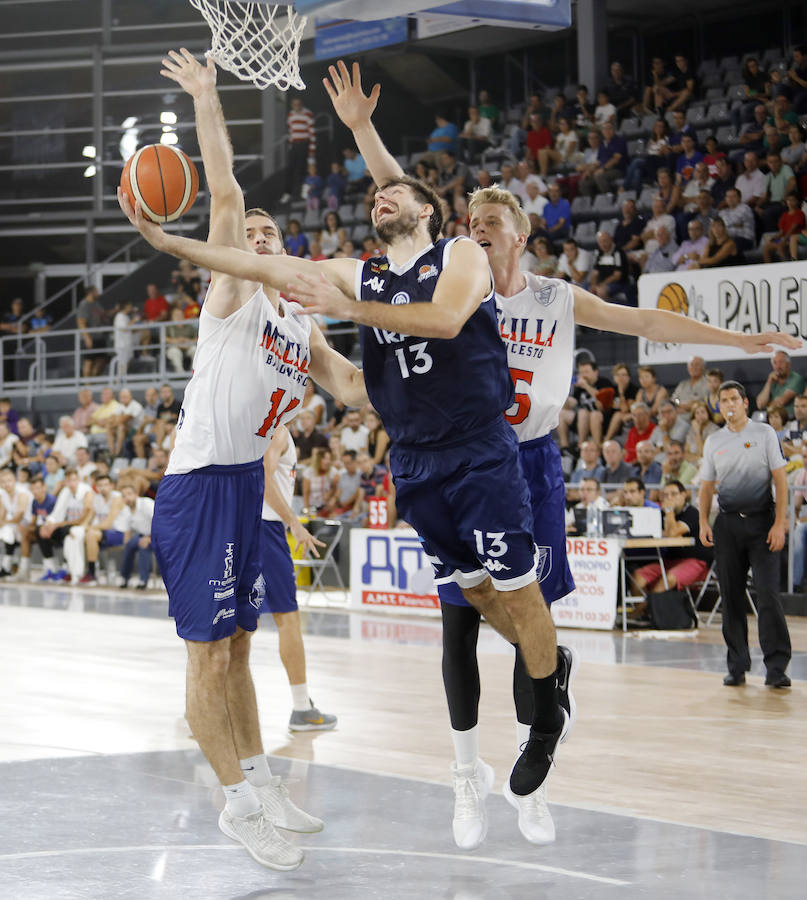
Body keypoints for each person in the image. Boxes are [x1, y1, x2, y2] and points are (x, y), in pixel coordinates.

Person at [126, 57, 801, 851]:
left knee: (518, 598)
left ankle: (538, 727)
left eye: (488, 220)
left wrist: (738, 341)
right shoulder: (356, 276)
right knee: (458, 614)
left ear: (511, 233)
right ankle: (458, 768)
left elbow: (630, 320)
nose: (477, 227)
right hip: (395, 457)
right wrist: (176, 239)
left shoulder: (492, 276)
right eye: (471, 219)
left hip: (506, 453)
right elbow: (318, 242)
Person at [120, 48, 368, 871]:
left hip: (243, 491)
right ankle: (235, 806)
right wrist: (205, 96)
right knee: (206, 653)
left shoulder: (301, 322)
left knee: (238, 649)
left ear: (286, 248)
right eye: (248, 236)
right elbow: (224, 191)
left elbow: (354, 389)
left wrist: (441, 374)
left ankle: (262, 782)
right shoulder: (231, 295)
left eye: (269, 235)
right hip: (198, 487)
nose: (256, 238)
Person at [699, 381, 792, 688]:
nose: (729, 404)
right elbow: (706, 487)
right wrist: (703, 521)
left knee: (767, 594)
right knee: (731, 596)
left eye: (733, 399)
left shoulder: (764, 433)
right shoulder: (714, 440)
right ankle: (737, 665)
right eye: (723, 400)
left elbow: (781, 481)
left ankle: (776, 667)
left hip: (762, 522)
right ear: (719, 406)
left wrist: (780, 523)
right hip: (727, 525)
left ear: (745, 403)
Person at [260, 425, 337, 730]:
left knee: (238, 622)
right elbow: (264, 476)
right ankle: (302, 707)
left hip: (242, 525)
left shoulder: (252, 425)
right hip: (266, 527)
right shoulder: (277, 430)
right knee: (288, 618)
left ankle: (207, 705)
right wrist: (293, 521)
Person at [632, 479, 712, 594]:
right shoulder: (660, 514)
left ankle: (652, 604)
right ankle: (646, 604)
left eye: (673, 494)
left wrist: (669, 511)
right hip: (670, 560)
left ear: (683, 495)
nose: (669, 498)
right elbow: (653, 532)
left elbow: (671, 533)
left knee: (667, 580)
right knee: (638, 577)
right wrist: (668, 529)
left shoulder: (692, 513)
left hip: (696, 561)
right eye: (665, 495)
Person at [81, 471, 129, 585]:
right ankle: (76, 570)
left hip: (120, 533)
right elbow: (89, 518)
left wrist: (89, 528)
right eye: (100, 485)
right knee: (79, 535)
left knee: (91, 534)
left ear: (112, 486)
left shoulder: (117, 498)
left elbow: (107, 524)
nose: (103, 488)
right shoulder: (97, 498)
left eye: (106, 485)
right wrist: (83, 527)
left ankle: (92, 573)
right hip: (104, 533)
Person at [118, 481, 155, 590]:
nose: (127, 498)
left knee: (143, 545)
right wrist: (126, 546)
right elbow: (127, 532)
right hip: (141, 535)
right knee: (130, 545)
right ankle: (124, 577)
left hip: (158, 536)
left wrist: (149, 538)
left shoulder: (146, 503)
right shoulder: (126, 511)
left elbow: (160, 522)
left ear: (136, 494)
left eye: (129, 494)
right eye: (124, 496)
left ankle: (143, 580)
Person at [755, 350, 805, 420]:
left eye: (781, 362)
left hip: (790, 419)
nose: (778, 366)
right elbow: (760, 404)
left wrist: (767, 406)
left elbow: (781, 402)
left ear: (788, 364)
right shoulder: (772, 380)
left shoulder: (796, 379)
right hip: (773, 419)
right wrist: (768, 382)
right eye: (775, 363)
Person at [76, 287, 110, 378]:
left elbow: (103, 315)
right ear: (91, 293)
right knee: (89, 361)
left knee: (101, 360)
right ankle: (87, 384)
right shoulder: (84, 304)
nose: (98, 293)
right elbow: (81, 322)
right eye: (96, 291)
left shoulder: (96, 304)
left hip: (99, 337)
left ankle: (93, 380)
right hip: (90, 337)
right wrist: (87, 338)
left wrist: (114, 310)